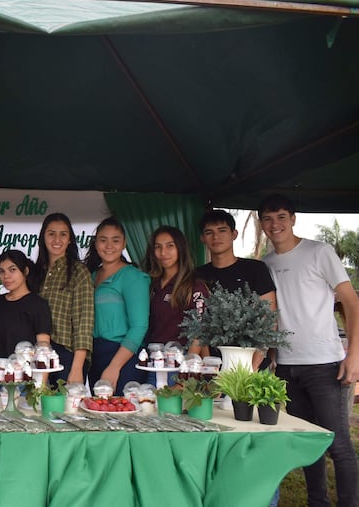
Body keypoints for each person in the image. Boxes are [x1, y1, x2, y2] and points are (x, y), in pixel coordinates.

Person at [259, 194, 359, 507]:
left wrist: (354, 355)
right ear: (261, 224)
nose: (275, 224)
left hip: (325, 365)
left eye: (281, 216)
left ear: (293, 219)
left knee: (338, 444)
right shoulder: (266, 264)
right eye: (268, 218)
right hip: (287, 366)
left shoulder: (319, 251)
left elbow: (351, 301)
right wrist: (271, 356)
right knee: (309, 441)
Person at [195, 209, 277, 367]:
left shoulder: (255, 269)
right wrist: (207, 365)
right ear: (202, 238)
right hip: (209, 366)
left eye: (222, 230)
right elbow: (197, 323)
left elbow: (269, 319)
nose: (216, 237)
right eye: (209, 232)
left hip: (249, 362)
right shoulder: (198, 275)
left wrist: (252, 367)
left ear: (234, 234)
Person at [84, 218, 149, 396]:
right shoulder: (91, 275)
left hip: (124, 357)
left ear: (124, 243)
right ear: (96, 243)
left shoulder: (132, 277)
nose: (109, 246)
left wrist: (115, 366)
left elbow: (139, 326)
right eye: (103, 240)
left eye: (115, 240)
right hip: (96, 355)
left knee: (122, 410)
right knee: (98, 409)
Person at [35, 213, 94, 386]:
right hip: (37, 353)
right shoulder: (36, 272)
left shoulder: (78, 272)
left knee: (65, 403)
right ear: (43, 237)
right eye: (51, 233)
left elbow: (84, 322)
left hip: (67, 354)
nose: (57, 239)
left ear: (70, 240)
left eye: (63, 234)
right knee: (36, 401)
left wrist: (77, 367)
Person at [142, 226, 208, 355]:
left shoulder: (194, 286)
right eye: (158, 247)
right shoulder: (150, 283)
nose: (163, 252)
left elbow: (199, 330)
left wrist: (189, 362)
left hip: (181, 357)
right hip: (152, 355)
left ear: (180, 248)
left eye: (170, 246)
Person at [0, 249, 52, 362]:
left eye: (12, 270)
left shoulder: (38, 304)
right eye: (2, 271)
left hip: (27, 371)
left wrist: (40, 375)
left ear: (25, 271)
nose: (6, 276)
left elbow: (43, 347)